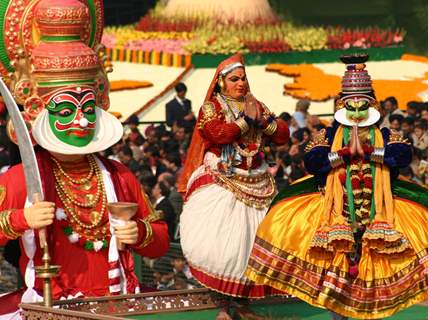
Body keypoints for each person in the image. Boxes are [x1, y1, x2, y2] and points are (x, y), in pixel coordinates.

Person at [246, 54, 428, 320]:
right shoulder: (329, 135)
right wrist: (342, 154)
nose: (356, 114)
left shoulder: (387, 134)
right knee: (337, 280)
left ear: (372, 106)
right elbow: (312, 161)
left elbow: (402, 155)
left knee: (378, 278)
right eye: (351, 107)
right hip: (335, 216)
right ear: (343, 106)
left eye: (362, 107)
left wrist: (371, 152)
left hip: (381, 213)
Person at [0, 0, 169, 316]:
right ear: (37, 111)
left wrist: (141, 233)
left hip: (119, 303)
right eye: (66, 111)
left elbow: (159, 240)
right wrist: (20, 220)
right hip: (53, 307)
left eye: (87, 109)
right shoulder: (22, 179)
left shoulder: (119, 176)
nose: (80, 122)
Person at [178, 53, 289, 320]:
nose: (241, 83)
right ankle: (223, 305)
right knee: (222, 247)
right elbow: (218, 134)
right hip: (223, 180)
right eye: (234, 79)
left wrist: (263, 121)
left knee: (250, 245)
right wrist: (246, 121)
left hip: (256, 180)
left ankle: (241, 302)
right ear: (220, 83)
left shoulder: (256, 105)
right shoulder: (212, 107)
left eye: (243, 78)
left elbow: (283, 135)